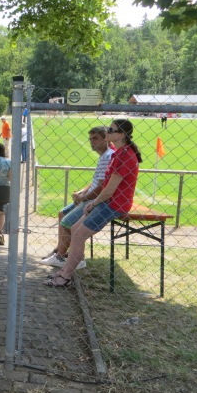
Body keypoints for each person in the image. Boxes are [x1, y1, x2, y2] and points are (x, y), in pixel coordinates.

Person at [44, 119, 142, 287]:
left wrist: (93, 202)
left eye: (111, 130)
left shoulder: (124, 155)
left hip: (114, 204)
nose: (107, 133)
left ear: (121, 135)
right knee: (75, 230)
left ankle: (66, 276)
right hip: (109, 202)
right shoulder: (119, 152)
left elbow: (109, 189)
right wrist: (92, 200)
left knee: (79, 234)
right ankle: (64, 270)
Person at [39, 126, 114, 269]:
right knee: (62, 213)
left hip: (94, 200)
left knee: (67, 222)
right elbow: (95, 181)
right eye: (90, 139)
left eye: (96, 138)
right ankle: (60, 251)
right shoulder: (104, 156)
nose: (92, 142)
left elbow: (102, 186)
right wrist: (81, 193)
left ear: (106, 138)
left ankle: (64, 257)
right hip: (88, 197)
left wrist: (84, 198)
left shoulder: (108, 156)